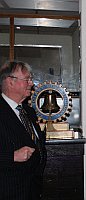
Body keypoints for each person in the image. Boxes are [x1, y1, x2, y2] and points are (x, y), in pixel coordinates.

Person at [0, 61, 47, 200]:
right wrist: (11, 156)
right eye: (27, 79)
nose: (31, 83)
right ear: (10, 82)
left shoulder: (29, 111)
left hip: (32, 191)